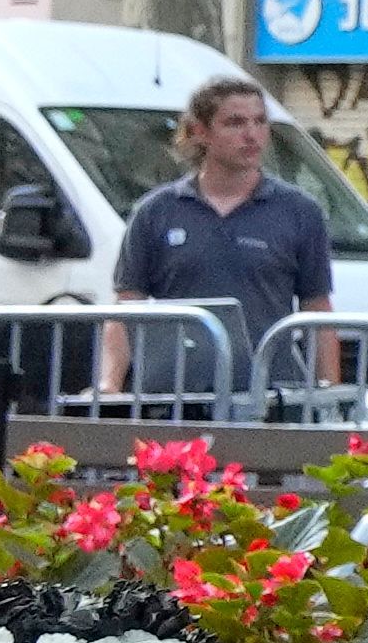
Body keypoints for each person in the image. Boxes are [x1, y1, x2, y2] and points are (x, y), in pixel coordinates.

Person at [106, 73, 339, 402]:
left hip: (267, 397)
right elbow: (126, 307)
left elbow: (317, 308)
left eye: (260, 122)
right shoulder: (155, 211)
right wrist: (110, 385)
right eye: (234, 123)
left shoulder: (300, 211)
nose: (251, 135)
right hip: (174, 398)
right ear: (199, 132)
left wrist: (331, 394)